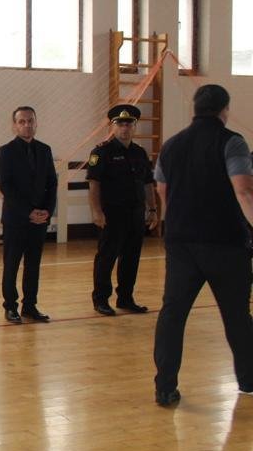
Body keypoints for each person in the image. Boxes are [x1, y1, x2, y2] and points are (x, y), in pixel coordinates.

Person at [152, 84, 253, 407]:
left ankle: (165, 387)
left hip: (181, 243)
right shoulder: (232, 142)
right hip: (225, 244)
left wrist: (179, 221)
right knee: (236, 315)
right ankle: (248, 380)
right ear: (224, 110)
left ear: (194, 109)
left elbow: (163, 190)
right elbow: (244, 191)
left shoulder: (171, 145)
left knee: (173, 314)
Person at [87, 104, 158, 316]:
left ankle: (126, 298)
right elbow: (94, 184)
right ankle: (101, 299)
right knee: (107, 257)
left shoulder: (139, 153)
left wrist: (153, 209)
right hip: (112, 214)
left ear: (134, 126)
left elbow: (148, 183)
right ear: (113, 126)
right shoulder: (101, 152)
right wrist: (96, 212)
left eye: (129, 124)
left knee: (131, 257)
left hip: (135, 214)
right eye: (120, 124)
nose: (125, 128)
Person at [0, 106, 57, 323]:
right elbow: (6, 186)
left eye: (30, 121)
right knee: (11, 264)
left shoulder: (45, 150)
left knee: (33, 265)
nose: (27, 125)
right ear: (14, 125)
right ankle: (10, 306)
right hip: (16, 219)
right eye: (22, 121)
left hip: (39, 220)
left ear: (36, 123)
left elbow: (52, 183)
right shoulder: (6, 151)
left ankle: (30, 306)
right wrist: (28, 212)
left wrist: (47, 211)